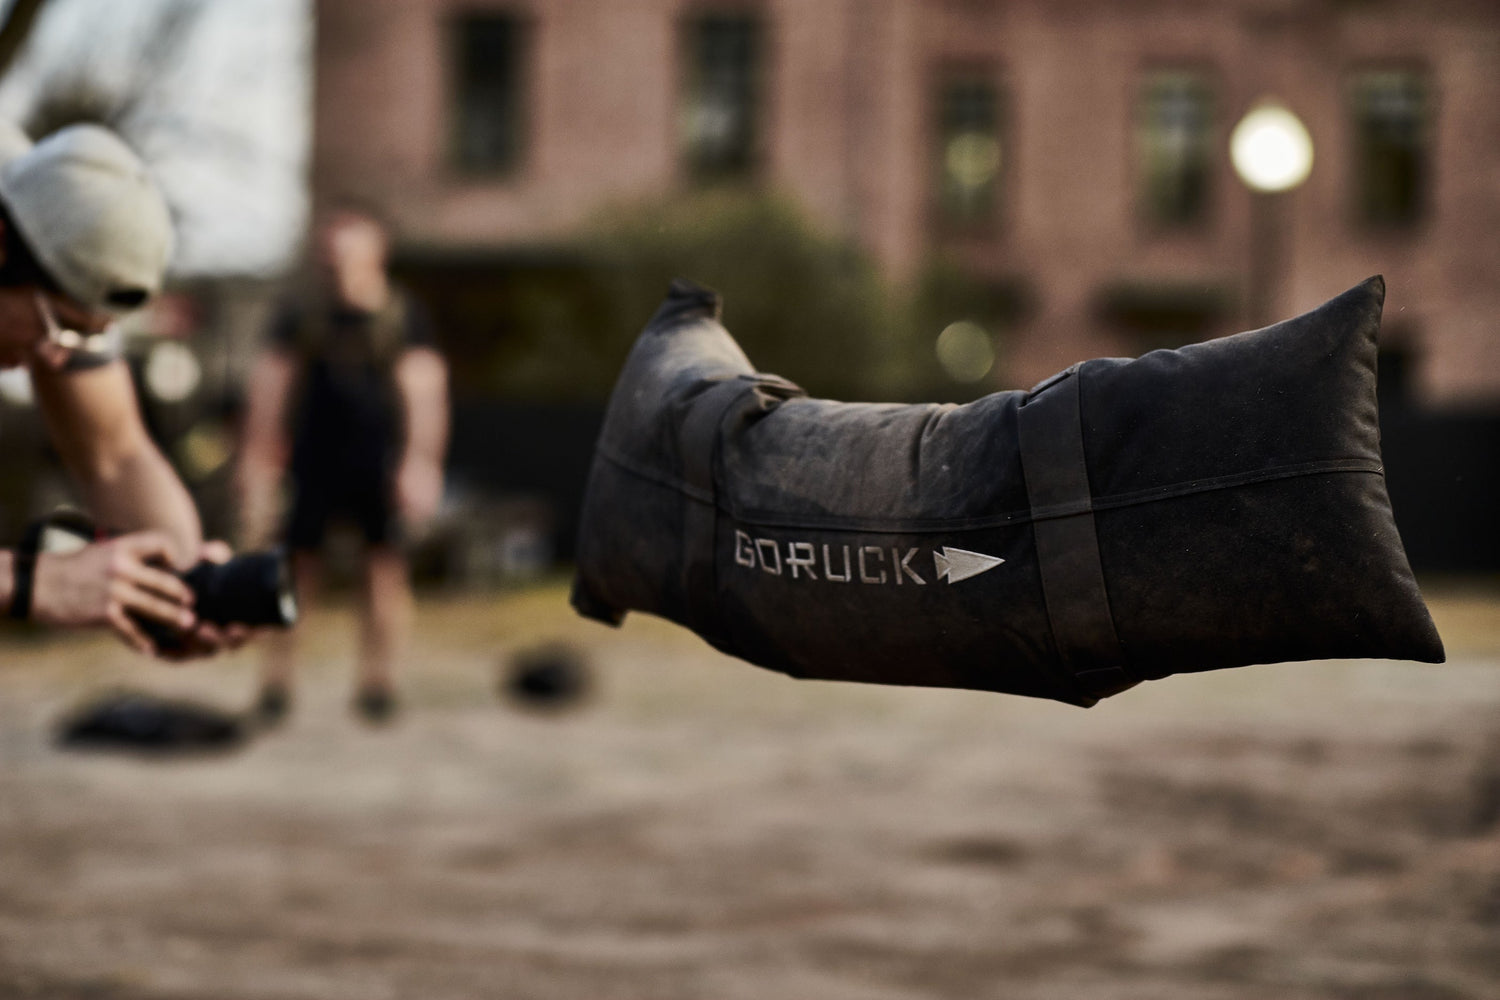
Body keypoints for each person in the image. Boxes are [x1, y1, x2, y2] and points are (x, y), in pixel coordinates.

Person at [0, 121, 240, 657]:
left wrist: (180, 591)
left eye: (90, 336)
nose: (60, 357)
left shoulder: (38, 218)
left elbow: (116, 455)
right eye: (60, 324)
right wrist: (29, 581)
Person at [238, 203, 448, 723]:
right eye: (329, 248)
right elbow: (269, 389)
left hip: (378, 463)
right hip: (312, 462)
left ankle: (378, 684)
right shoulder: (300, 315)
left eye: (347, 245)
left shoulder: (403, 315)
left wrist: (420, 464)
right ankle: (275, 684)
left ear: (376, 250)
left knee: (383, 572)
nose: (335, 257)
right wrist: (258, 463)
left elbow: (424, 393)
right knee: (294, 573)